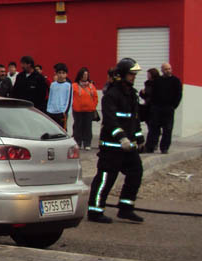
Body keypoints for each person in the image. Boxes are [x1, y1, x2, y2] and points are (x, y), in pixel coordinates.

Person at [87, 58, 145, 223]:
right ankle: (95, 210)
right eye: (131, 74)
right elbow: (111, 120)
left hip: (127, 148)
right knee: (106, 178)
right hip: (111, 148)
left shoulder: (132, 95)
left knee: (136, 172)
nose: (133, 77)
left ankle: (126, 208)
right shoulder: (111, 95)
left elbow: (134, 118)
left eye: (134, 74)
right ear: (121, 75)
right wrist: (122, 137)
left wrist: (139, 137)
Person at [145, 62, 182, 154]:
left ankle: (164, 147)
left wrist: (173, 106)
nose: (168, 71)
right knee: (154, 128)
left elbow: (178, 95)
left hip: (168, 108)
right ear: (161, 70)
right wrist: (153, 105)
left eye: (169, 69)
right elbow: (152, 94)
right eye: (166, 69)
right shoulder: (158, 81)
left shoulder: (176, 81)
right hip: (157, 108)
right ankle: (150, 146)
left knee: (167, 129)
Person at [71, 67, 98, 150]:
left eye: (87, 75)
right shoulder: (74, 86)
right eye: (84, 75)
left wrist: (93, 106)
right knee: (78, 127)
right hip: (77, 110)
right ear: (80, 75)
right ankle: (78, 142)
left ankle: (87, 143)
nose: (85, 76)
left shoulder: (91, 86)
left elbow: (95, 97)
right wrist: (74, 106)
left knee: (87, 127)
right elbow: (71, 97)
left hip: (89, 110)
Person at [46, 63, 72, 129]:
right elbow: (50, 98)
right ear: (56, 74)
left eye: (63, 73)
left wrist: (64, 112)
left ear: (66, 74)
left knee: (61, 130)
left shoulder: (68, 85)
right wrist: (48, 109)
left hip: (61, 112)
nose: (61, 75)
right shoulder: (53, 85)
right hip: (51, 111)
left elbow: (69, 100)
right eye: (59, 73)